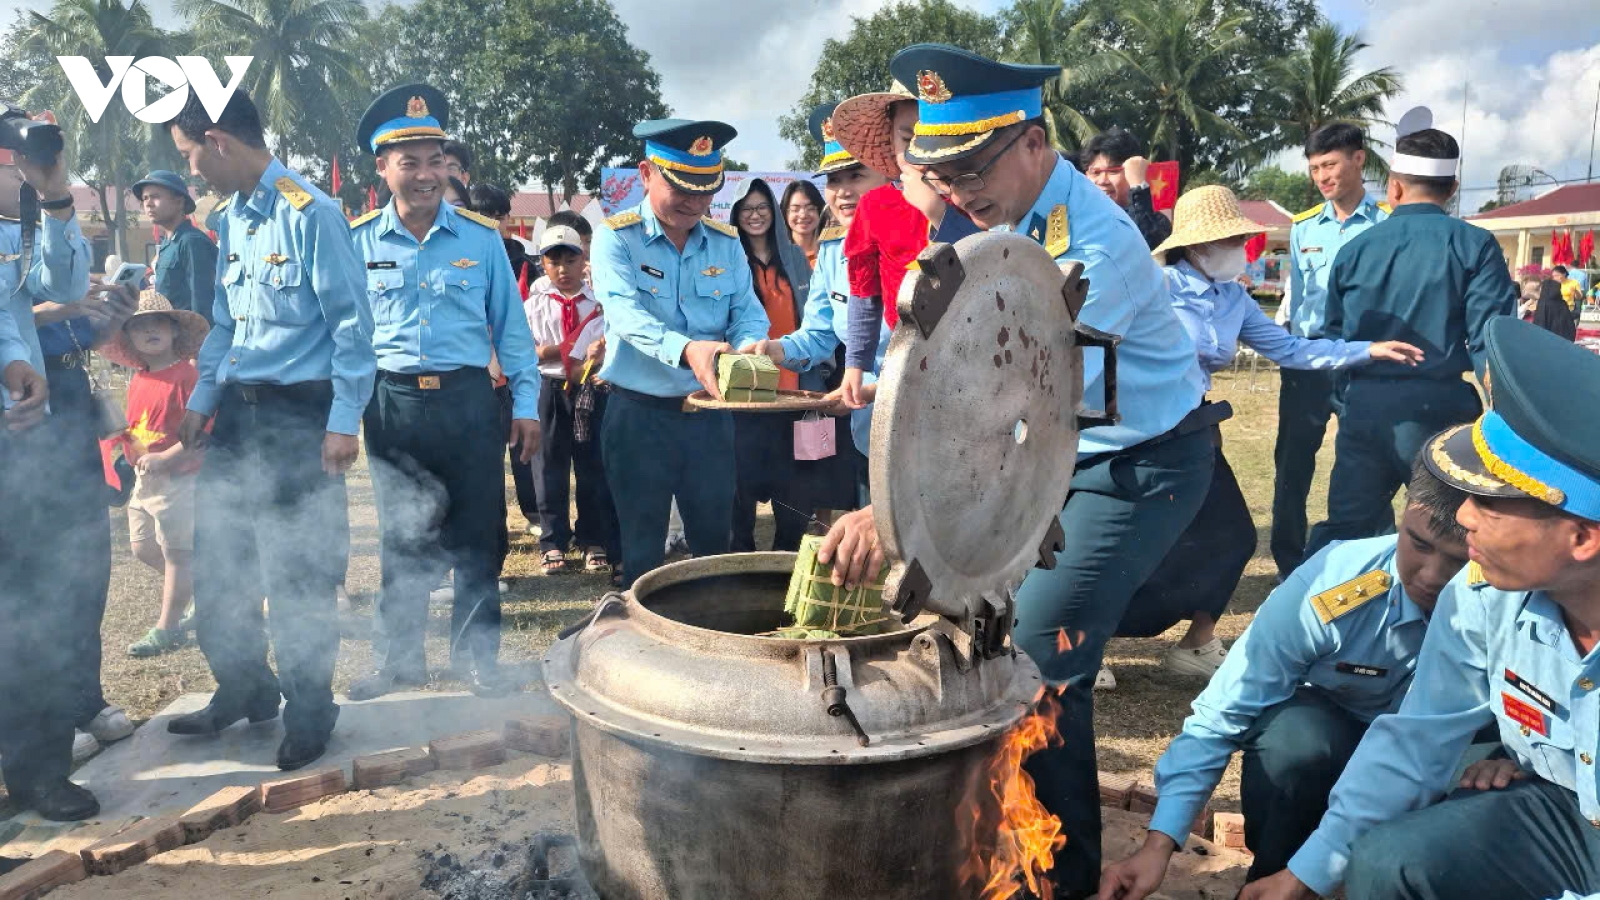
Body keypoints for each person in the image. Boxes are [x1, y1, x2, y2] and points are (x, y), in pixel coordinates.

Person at [819, 45, 1213, 896]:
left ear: (1034, 141)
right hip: (1043, 457)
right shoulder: (999, 219)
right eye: (941, 170)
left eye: (971, 166)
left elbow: (1004, 410)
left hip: (1135, 466)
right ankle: (989, 839)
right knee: (967, 628)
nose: (957, 189)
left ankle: (1057, 877)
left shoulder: (1092, 249)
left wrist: (888, 520)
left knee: (1040, 652)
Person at [1243, 317, 1600, 900]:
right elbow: (1415, 743)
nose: (1463, 518)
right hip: (1565, 812)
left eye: (1492, 504)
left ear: (1582, 538)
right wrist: (1305, 874)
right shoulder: (1484, 591)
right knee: (1388, 863)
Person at [1099, 459, 1468, 899]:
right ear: (1404, 510)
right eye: (1419, 544)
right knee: (1299, 740)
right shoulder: (1335, 586)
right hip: (1341, 743)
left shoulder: (1509, 603)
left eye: (1458, 561)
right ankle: (1273, 883)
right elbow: (1225, 710)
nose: (1431, 576)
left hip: (1448, 755)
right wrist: (1159, 844)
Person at [1116, 186, 1424, 683]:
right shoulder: (1157, 288)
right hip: (1139, 434)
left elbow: (1291, 349)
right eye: (1234, 238)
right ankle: (1083, 642)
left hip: (1194, 431)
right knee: (1128, 539)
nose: (1242, 248)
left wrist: (1367, 350)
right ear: (1199, 246)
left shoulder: (1233, 297)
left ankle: (1196, 643)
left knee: (1234, 535)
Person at [164, 88, 376, 772]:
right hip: (235, 417)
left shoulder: (310, 213)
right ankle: (245, 688)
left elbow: (352, 329)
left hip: (299, 418)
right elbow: (225, 321)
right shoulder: (233, 218)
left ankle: (311, 710)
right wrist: (202, 395)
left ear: (218, 141)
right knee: (221, 565)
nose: (192, 170)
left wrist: (343, 421)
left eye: (190, 155)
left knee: (299, 573)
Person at [346, 84, 541, 701]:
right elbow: (345, 337)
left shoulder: (483, 240)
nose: (426, 174)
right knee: (402, 537)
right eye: (411, 161)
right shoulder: (357, 241)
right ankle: (399, 661)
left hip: (467, 402)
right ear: (383, 168)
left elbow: (512, 333)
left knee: (481, 534)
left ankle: (477, 659)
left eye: (435, 160)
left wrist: (530, 406)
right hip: (392, 404)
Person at [1303, 128, 1515, 558]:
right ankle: (1436, 624)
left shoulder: (1356, 249)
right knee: (1448, 533)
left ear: (1394, 187)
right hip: (1442, 411)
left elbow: (1332, 339)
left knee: (1346, 532)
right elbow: (1492, 340)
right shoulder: (1475, 244)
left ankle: (1313, 617)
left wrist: (1347, 401)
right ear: (1453, 189)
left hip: (1364, 408)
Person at [592, 118, 769, 588]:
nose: (694, 202)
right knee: (642, 548)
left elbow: (748, 311)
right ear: (647, 173)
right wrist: (688, 349)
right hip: (638, 416)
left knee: (715, 544)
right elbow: (625, 315)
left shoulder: (725, 243)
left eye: (706, 190)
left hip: (709, 417)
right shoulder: (615, 237)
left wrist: (750, 343)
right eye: (682, 188)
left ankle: (712, 637)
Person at [0, 122, 103, 822]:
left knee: (50, 600)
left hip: (34, 437)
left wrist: (56, 193)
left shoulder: (14, 227)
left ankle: (38, 770)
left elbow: (48, 290)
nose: (18, 170)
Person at [742, 104, 893, 506]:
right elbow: (820, 333)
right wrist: (778, 349)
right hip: (866, 430)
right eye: (833, 179)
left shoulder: (918, 239)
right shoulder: (831, 250)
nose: (843, 191)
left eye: (856, 175)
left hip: (925, 424)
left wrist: (873, 390)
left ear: (887, 170)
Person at [1271, 123, 1391, 579]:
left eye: (1331, 164)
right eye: (1315, 168)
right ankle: (1289, 565)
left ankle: (1364, 563)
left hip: (1363, 360)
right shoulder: (1304, 228)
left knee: (1365, 464)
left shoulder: (1386, 225)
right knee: (1292, 466)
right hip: (1310, 359)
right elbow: (1298, 298)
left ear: (1358, 160)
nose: (1322, 176)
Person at [101, 290, 210, 658]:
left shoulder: (187, 377)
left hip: (180, 479)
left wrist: (169, 458)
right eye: (140, 326)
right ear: (128, 337)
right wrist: (122, 447)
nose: (150, 331)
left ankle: (168, 627)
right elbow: (137, 426)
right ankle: (198, 593)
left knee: (177, 553)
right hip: (146, 480)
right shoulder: (138, 379)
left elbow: (204, 431)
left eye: (158, 323)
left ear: (174, 331)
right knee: (141, 546)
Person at [727, 172, 819, 551]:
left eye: (763, 207)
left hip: (793, 393)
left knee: (795, 492)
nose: (755, 215)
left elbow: (815, 323)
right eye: (746, 208)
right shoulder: (727, 258)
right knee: (740, 491)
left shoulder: (795, 258)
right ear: (735, 214)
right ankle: (740, 567)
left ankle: (785, 566)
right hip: (745, 394)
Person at [524, 224, 617, 577]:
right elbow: (520, 351)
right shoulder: (533, 307)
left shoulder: (600, 306)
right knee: (548, 466)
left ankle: (593, 538)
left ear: (584, 262)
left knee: (593, 464)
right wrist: (553, 351)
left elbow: (611, 347)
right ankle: (552, 541)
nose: (563, 269)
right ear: (543, 266)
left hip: (589, 390)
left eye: (570, 260)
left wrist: (600, 355)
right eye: (554, 261)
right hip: (548, 389)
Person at [135, 169, 219, 325]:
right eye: (145, 198)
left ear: (179, 202)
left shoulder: (192, 242)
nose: (148, 203)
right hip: (170, 334)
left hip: (192, 337)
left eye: (155, 197)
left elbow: (203, 302)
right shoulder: (169, 243)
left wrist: (199, 342)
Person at [1079, 127, 1171, 251]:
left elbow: (1149, 247)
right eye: (1095, 172)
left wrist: (1138, 187)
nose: (1102, 181)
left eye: (1113, 172)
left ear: (1132, 171)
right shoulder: (1075, 216)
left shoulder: (1154, 214)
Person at [781, 178, 826, 268]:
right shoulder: (778, 254)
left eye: (810, 208)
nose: (803, 215)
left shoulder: (830, 253)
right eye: (795, 209)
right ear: (785, 213)